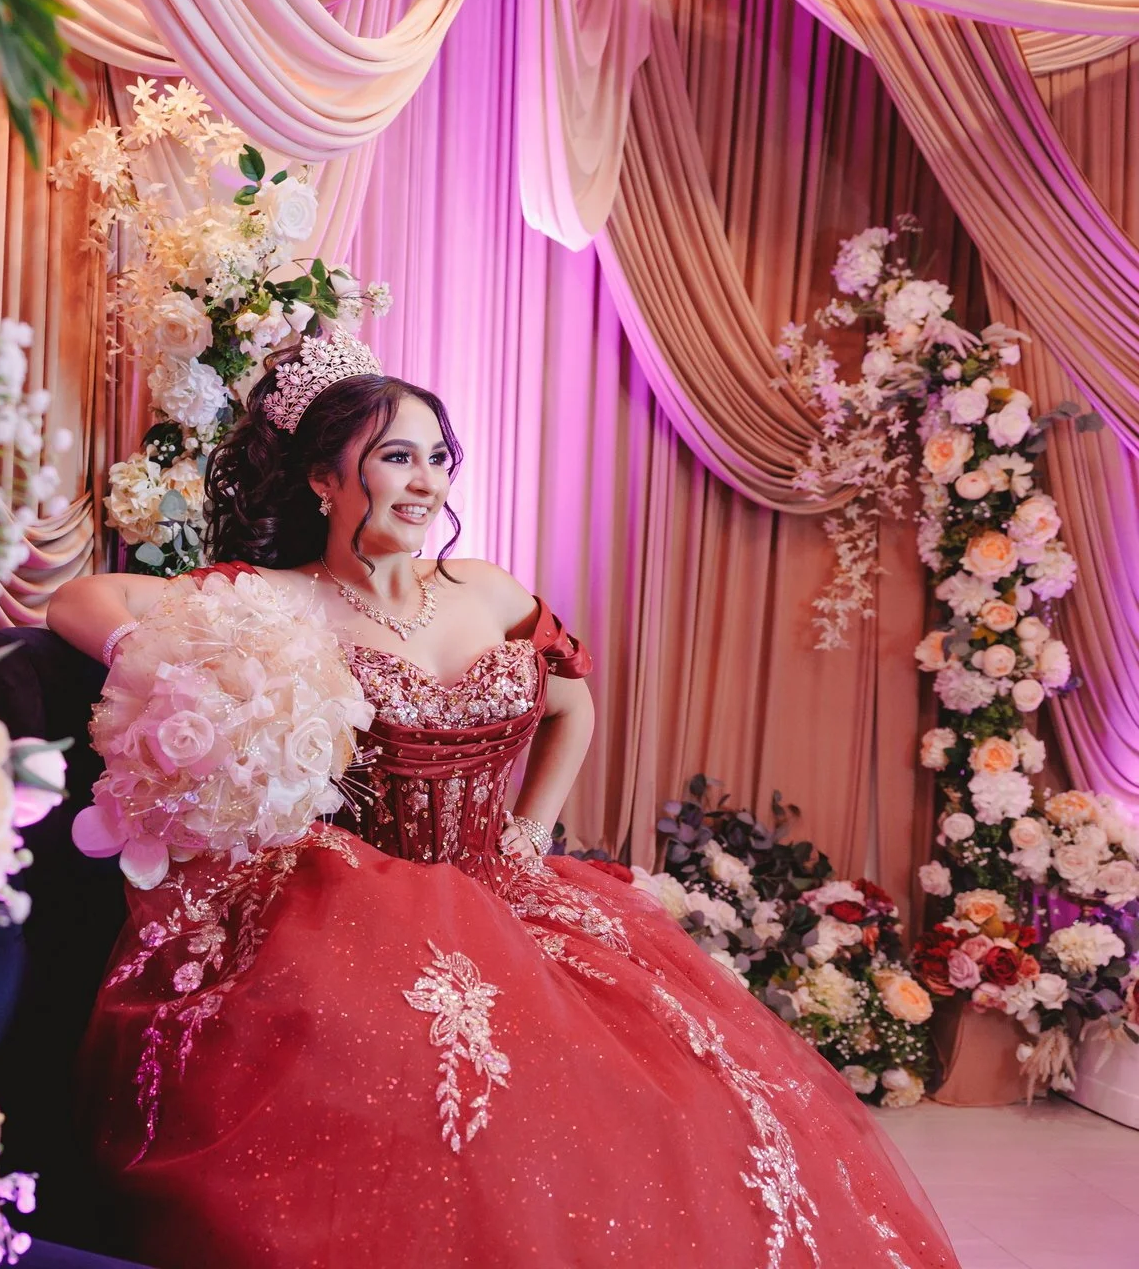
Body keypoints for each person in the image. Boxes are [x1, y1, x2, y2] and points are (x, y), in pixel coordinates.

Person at [46, 329, 957, 1268]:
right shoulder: (269, 600)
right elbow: (76, 602)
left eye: (438, 457)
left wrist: (532, 829)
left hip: (505, 882)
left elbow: (574, 702)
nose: (427, 480)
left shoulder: (485, 588)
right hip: (341, 904)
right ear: (324, 478)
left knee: (660, 1103)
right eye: (396, 456)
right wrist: (204, 678)